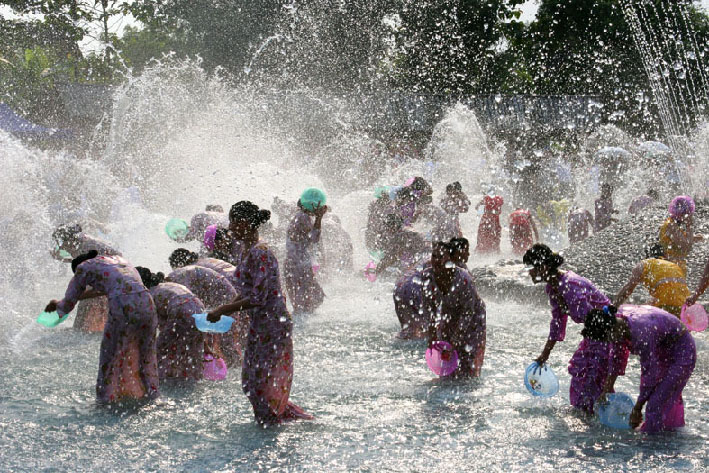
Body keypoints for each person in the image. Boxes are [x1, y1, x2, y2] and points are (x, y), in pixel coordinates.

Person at [207, 201, 312, 425]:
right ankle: (278, 417)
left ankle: (274, 422)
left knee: (260, 380)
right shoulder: (247, 250)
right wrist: (226, 312)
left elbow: (258, 298)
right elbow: (248, 291)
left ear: (245, 223)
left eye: (233, 223)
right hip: (261, 323)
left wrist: (224, 309)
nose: (231, 228)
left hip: (273, 324)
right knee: (251, 380)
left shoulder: (260, 253)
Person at [45, 251, 159, 403]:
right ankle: (153, 397)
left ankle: (104, 401)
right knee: (146, 354)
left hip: (122, 305)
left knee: (110, 355)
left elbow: (66, 307)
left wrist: (55, 304)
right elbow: (107, 289)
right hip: (147, 303)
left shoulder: (82, 268)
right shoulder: (118, 261)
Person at [523, 244, 620, 413]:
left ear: (544, 266)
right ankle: (587, 416)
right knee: (580, 376)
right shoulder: (553, 286)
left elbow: (594, 319)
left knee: (592, 379)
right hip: (594, 335)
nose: (529, 272)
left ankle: (600, 418)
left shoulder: (571, 285)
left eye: (531, 268)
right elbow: (558, 322)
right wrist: (545, 353)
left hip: (607, 335)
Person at [584, 305, 696, 432]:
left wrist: (637, 408)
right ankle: (667, 431)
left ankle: (651, 443)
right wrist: (606, 390)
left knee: (655, 404)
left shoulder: (642, 333)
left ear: (612, 329)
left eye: (607, 338)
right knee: (662, 396)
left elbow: (649, 375)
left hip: (683, 352)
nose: (608, 342)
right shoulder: (619, 324)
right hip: (663, 349)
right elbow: (616, 359)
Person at [426, 241, 486, 377]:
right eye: (434, 256)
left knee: (468, 354)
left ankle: (470, 380)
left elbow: (467, 313)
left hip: (474, 315)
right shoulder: (428, 277)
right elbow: (430, 309)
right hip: (450, 311)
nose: (436, 260)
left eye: (441, 257)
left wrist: (455, 341)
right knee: (446, 350)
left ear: (451, 260)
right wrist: (432, 335)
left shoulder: (464, 279)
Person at [137, 267, 206, 381]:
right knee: (194, 349)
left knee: (160, 349)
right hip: (199, 308)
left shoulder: (149, 295)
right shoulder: (167, 285)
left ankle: (155, 378)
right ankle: (193, 377)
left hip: (180, 310)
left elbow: (152, 325)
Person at [51, 223, 121, 333]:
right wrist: (62, 259)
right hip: (116, 273)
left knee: (87, 300)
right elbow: (82, 261)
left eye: (60, 243)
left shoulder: (84, 247)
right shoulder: (80, 241)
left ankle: (80, 330)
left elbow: (85, 263)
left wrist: (74, 298)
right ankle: (86, 329)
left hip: (114, 276)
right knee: (88, 299)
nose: (60, 247)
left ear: (68, 240)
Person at [613, 243, 690, 317]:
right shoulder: (674, 266)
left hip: (663, 307)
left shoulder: (644, 264)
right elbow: (669, 292)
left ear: (646, 256)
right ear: (664, 255)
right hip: (683, 309)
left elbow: (628, 289)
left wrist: (613, 307)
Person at [284, 189, 328, 313]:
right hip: (298, 266)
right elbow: (314, 238)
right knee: (307, 303)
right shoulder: (302, 218)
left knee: (310, 300)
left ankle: (299, 326)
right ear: (313, 205)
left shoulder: (300, 216)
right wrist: (319, 217)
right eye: (319, 205)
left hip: (296, 264)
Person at [659, 195, 703, 271]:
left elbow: (679, 241)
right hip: (669, 269)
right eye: (689, 212)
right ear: (684, 212)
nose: (691, 215)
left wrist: (695, 238)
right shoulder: (670, 225)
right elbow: (686, 246)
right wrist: (690, 225)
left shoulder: (674, 224)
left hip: (676, 267)